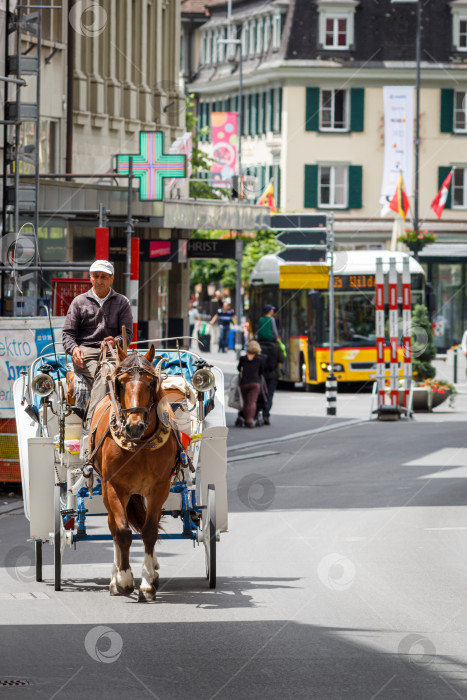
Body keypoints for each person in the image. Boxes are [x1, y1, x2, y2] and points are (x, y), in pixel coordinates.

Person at [62, 260, 133, 425]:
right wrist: (74, 349)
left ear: (112, 279)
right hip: (85, 352)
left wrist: (115, 341)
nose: (99, 280)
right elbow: (67, 334)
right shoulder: (79, 302)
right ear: (90, 278)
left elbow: (127, 335)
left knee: (109, 373)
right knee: (105, 376)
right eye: (96, 276)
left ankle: (91, 421)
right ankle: (93, 423)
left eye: (104, 277)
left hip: (112, 352)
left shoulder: (122, 302)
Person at [257, 337, 286, 425]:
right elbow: (282, 358)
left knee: (260, 394)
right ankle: (266, 415)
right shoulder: (276, 346)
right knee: (270, 395)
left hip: (261, 375)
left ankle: (258, 413)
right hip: (273, 374)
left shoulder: (259, 344)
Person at [237, 340, 264, 428]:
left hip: (244, 383)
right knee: (252, 402)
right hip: (255, 383)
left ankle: (245, 419)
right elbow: (261, 371)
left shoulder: (243, 358)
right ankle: (250, 420)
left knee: (245, 402)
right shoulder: (259, 359)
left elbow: (238, 368)